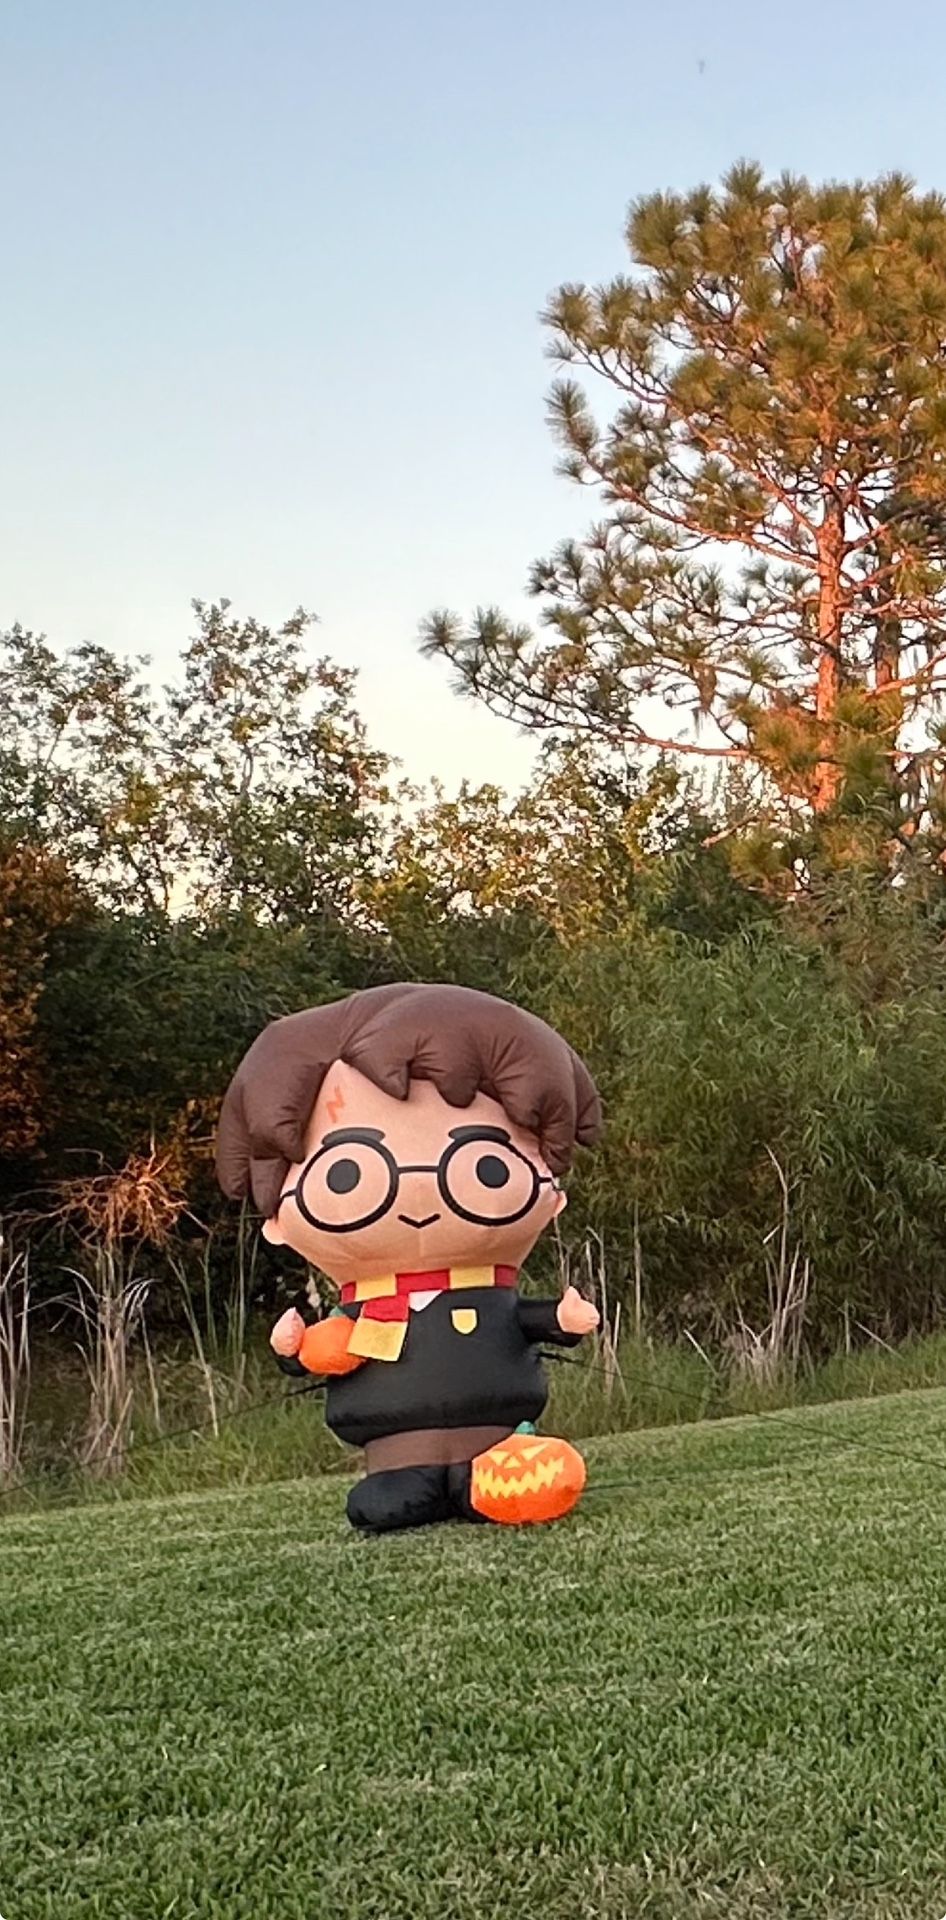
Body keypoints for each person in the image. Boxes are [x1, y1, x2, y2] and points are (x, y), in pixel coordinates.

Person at [215, 981, 602, 1532]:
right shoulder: (358, 1316)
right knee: (388, 1501)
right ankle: (407, 1478)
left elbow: (525, 1319)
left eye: (486, 1164)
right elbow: (324, 1353)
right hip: (393, 1445)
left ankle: (491, 1477)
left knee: (506, 1478)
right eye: (345, 1173)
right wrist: (292, 1351)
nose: (417, 1184)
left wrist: (563, 1319)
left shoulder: (488, 1290)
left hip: (495, 1433)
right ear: (276, 1221)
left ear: (553, 1195)